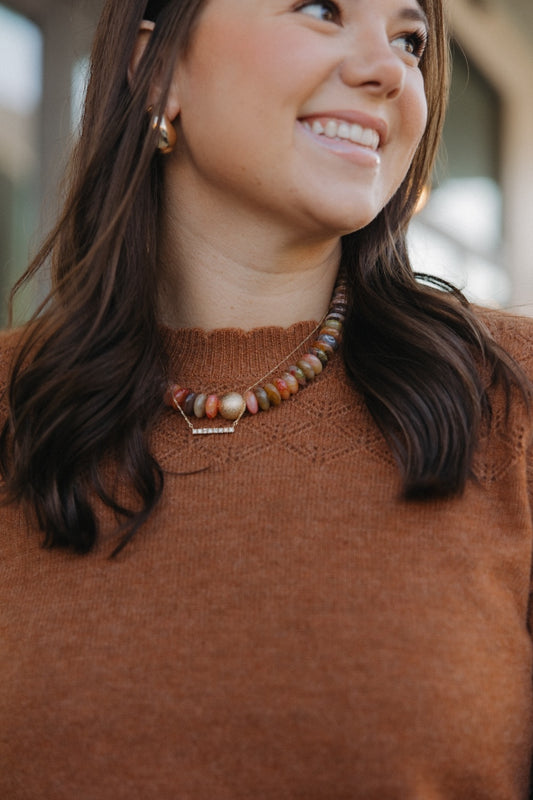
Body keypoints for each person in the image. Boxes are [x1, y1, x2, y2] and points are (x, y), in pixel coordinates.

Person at [1, 0, 532, 797]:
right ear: (155, 69)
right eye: (321, 9)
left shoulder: (513, 402)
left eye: (409, 39)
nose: (388, 70)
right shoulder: (13, 407)